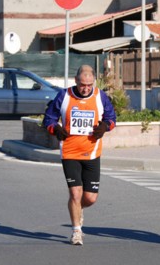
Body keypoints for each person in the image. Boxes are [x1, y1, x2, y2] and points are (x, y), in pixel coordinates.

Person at [43, 65, 116, 246]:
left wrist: (104, 127)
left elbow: (112, 118)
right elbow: (48, 119)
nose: (86, 88)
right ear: (76, 81)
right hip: (69, 152)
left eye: (89, 85)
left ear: (94, 82)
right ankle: (77, 231)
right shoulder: (64, 95)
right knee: (75, 194)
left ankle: (78, 209)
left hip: (92, 152)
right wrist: (55, 129)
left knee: (90, 198)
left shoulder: (100, 96)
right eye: (83, 85)